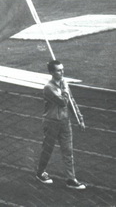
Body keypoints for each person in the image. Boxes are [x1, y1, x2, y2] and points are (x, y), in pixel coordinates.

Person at [36, 60, 86, 190]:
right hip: (51, 122)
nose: (62, 72)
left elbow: (71, 102)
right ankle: (40, 172)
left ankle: (71, 179)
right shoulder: (48, 88)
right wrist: (64, 87)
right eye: (58, 70)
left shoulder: (64, 84)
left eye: (62, 69)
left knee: (68, 151)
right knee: (47, 150)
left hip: (64, 122)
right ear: (51, 72)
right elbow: (63, 101)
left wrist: (79, 118)